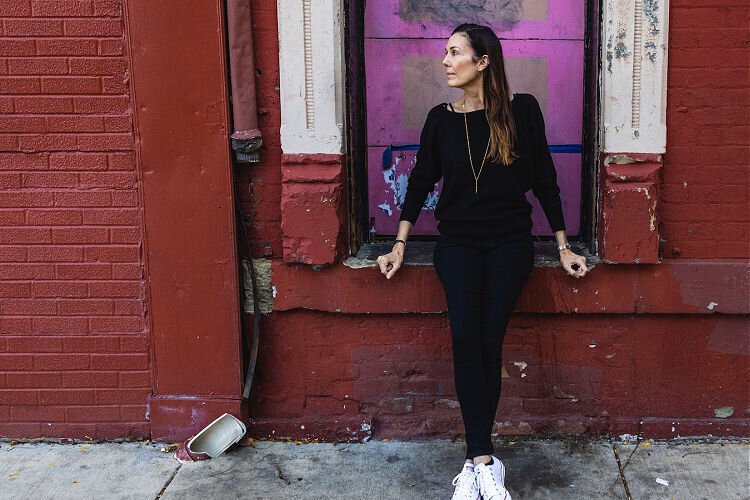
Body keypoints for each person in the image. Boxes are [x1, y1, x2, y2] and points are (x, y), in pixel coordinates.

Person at [375, 23, 589, 500]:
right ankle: (482, 461)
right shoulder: (440, 119)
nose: (446, 61)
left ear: (483, 61)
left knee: (488, 340)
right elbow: (420, 184)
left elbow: (546, 181)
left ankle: (480, 462)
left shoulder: (522, 111)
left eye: (455, 53)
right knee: (467, 337)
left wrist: (563, 246)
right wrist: (399, 244)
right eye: (446, 53)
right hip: (458, 245)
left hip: (511, 243)